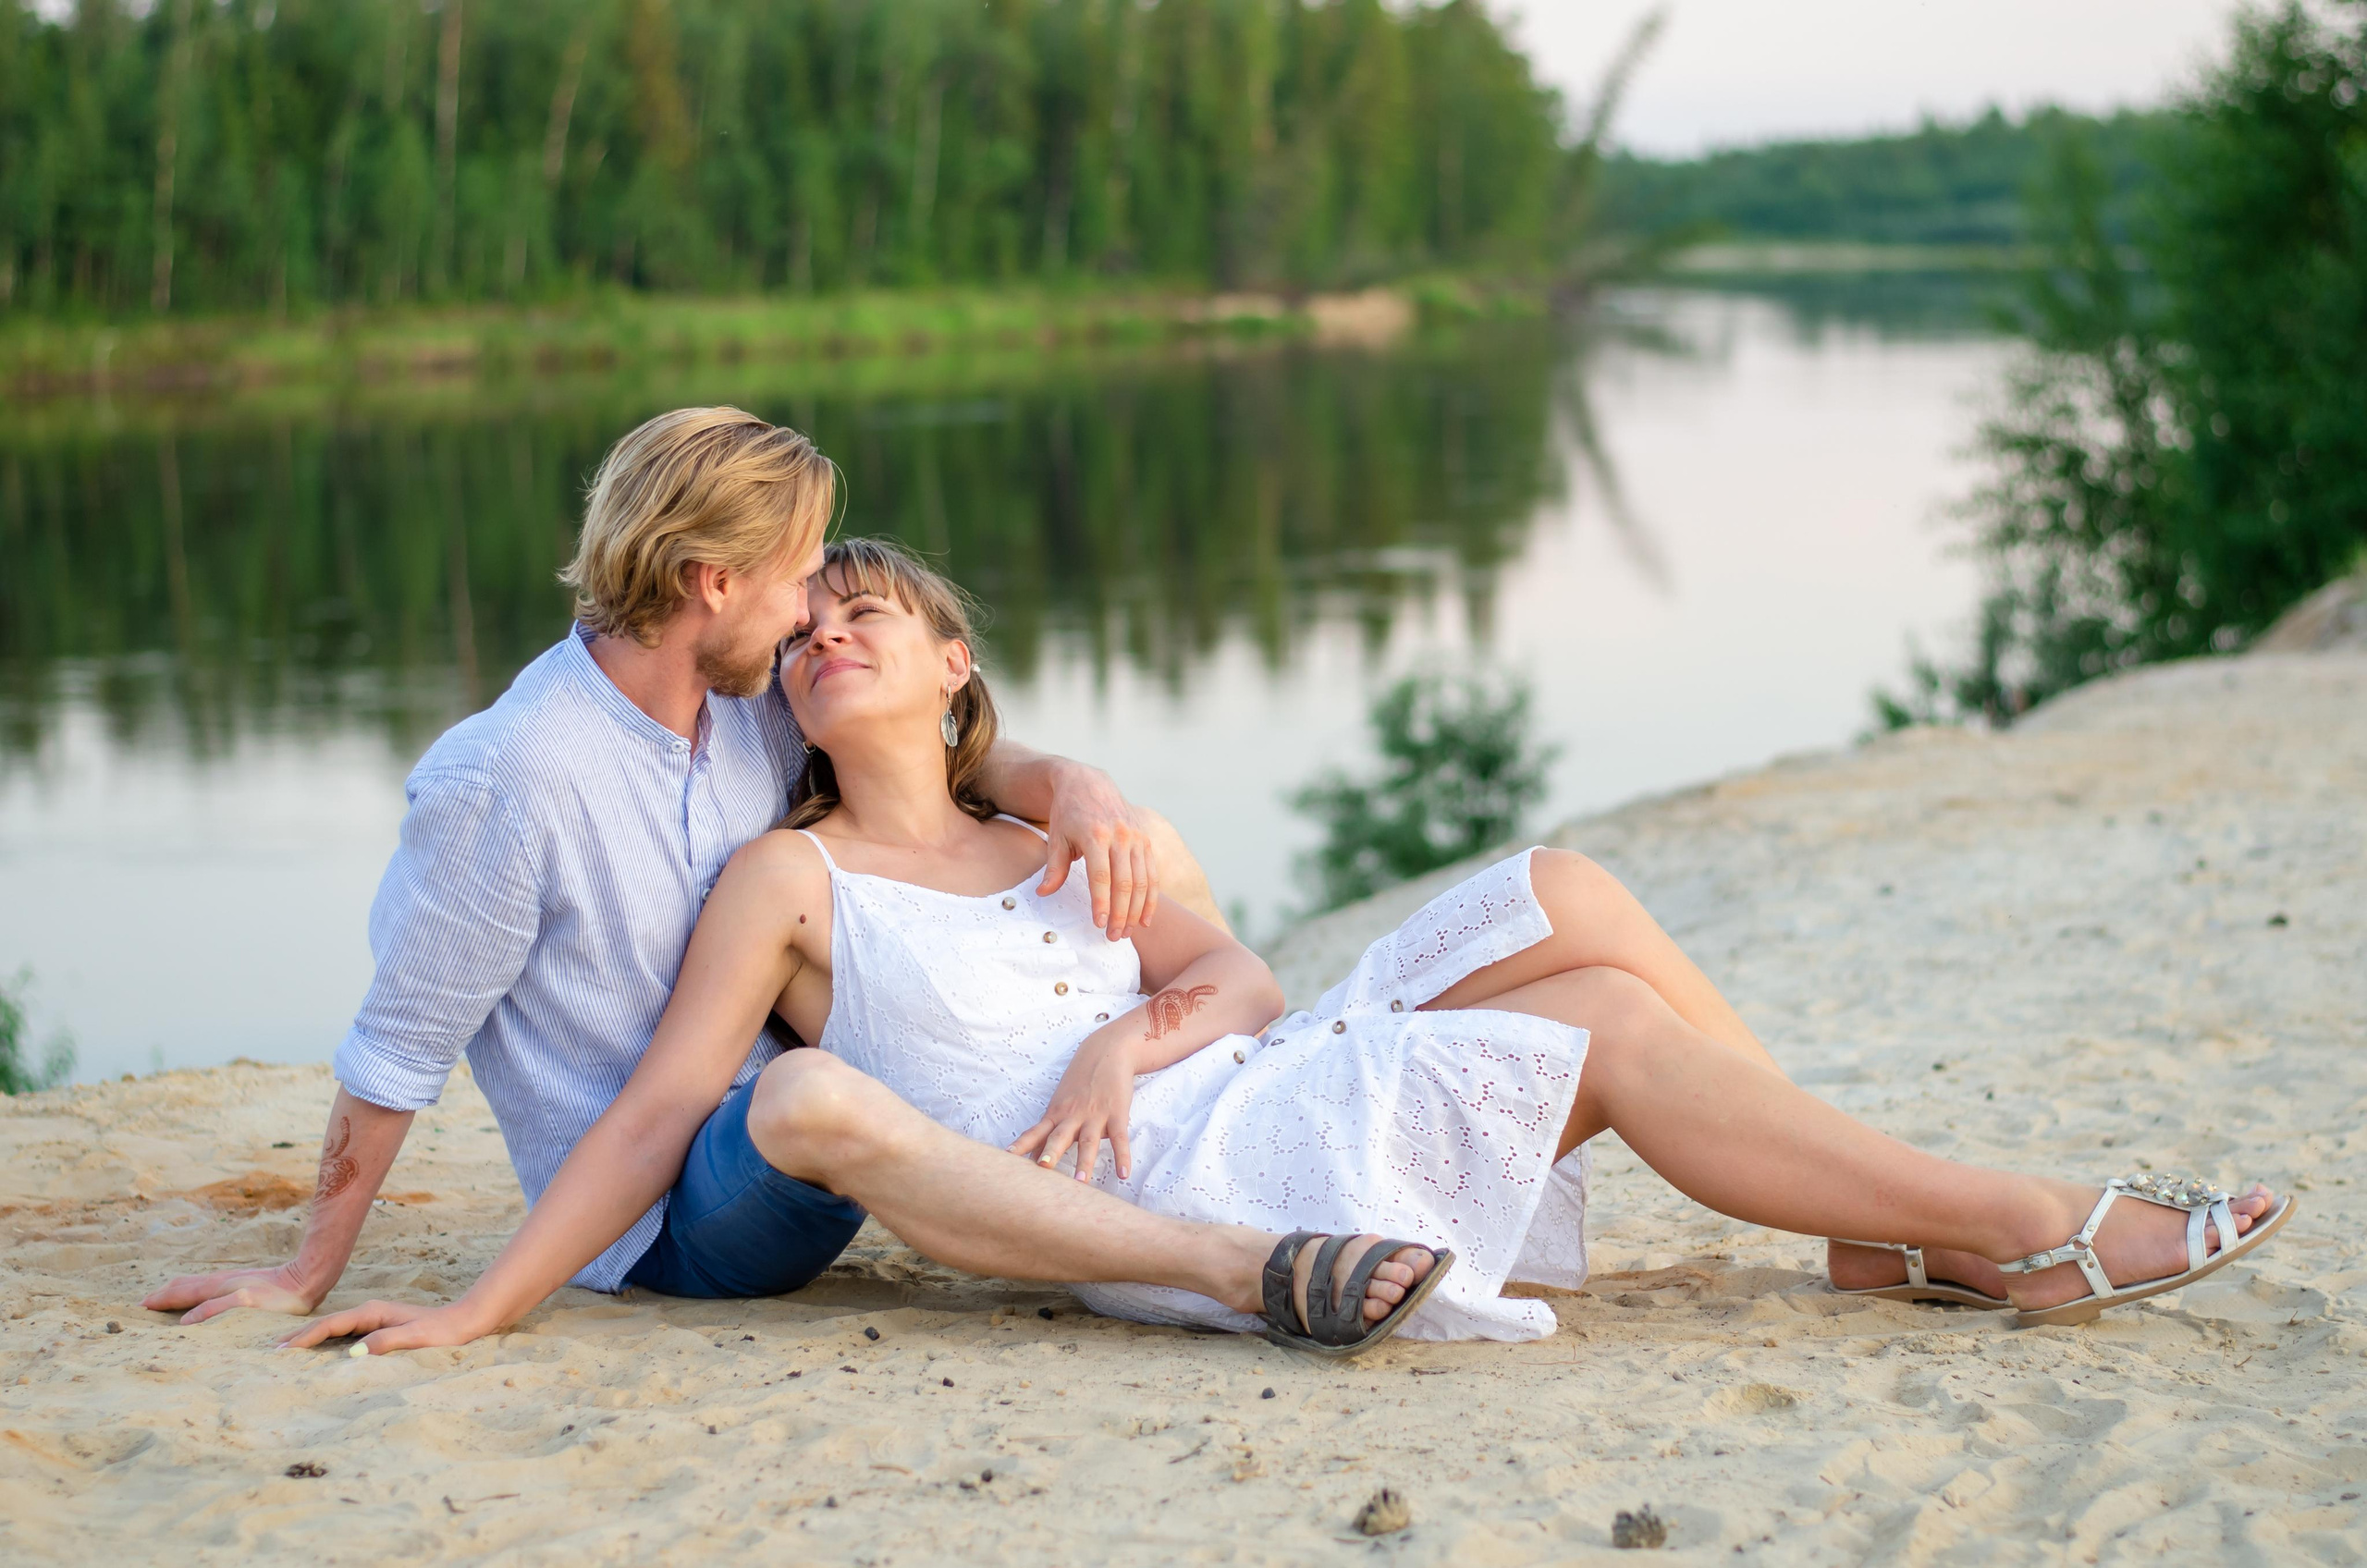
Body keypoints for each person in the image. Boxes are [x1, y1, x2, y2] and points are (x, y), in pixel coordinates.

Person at [288, 539, 2291, 1354]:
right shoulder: (788, 881)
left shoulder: (1045, 818)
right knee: (1599, 1020)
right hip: (1187, 1183)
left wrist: (1120, 1033)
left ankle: (1894, 1224)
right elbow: (655, 1110)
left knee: (1568, 894)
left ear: (954, 660)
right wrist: (472, 1309)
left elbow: (1237, 979)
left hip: (1232, 1076)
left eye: (867, 613)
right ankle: (2019, 1221)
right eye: (806, 630)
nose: (825, 637)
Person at [146, 408, 1436, 1350]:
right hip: (675, 1216)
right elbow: (395, 1054)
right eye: (800, 574)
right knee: (815, 1089)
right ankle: (1225, 1263)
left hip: (828, 1141)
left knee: (1123, 867)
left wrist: (1075, 788)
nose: (819, 603)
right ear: (713, 583)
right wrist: (316, 1271)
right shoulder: (511, 780)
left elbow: (947, 755)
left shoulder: (751, 702)